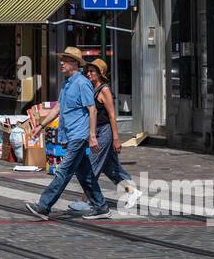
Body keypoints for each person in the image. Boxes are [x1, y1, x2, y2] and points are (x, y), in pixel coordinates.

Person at [24, 47, 110, 221]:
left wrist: (92, 136)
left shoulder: (82, 83)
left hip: (79, 136)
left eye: (66, 60)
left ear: (75, 64)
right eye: (62, 59)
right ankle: (101, 207)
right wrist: (41, 126)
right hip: (70, 135)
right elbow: (58, 108)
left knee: (63, 171)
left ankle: (44, 206)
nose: (61, 63)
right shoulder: (67, 84)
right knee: (84, 174)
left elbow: (92, 110)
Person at [69, 59, 137, 213]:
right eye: (88, 71)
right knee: (109, 167)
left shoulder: (104, 90)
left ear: (100, 73)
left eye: (92, 71)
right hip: (98, 131)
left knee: (91, 167)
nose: (88, 74)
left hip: (105, 132)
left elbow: (112, 116)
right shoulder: (93, 88)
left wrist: (116, 138)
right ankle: (131, 190)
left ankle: (85, 200)